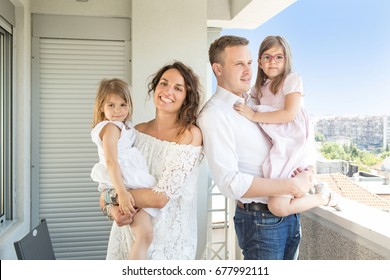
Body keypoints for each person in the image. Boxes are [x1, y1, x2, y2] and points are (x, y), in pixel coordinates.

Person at [197, 35, 313, 260]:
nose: (248, 70)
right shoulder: (214, 115)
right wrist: (290, 184)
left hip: (289, 213)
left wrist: (305, 170)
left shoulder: (256, 102)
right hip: (261, 221)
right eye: (239, 64)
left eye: (249, 63)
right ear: (217, 69)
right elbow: (230, 182)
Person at [99, 61, 203, 260]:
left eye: (178, 88)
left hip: (167, 248)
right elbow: (106, 186)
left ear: (186, 97)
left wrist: (112, 196)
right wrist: (112, 210)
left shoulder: (190, 135)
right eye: (163, 83)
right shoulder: (135, 132)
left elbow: (159, 198)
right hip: (126, 239)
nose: (168, 91)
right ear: (155, 88)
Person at [233, 35, 340, 217]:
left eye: (279, 57)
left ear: (286, 60)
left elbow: (289, 114)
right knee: (280, 198)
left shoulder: (291, 79)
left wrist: (254, 115)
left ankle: (323, 197)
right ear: (259, 62)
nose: (272, 61)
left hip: (292, 139)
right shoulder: (260, 87)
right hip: (278, 142)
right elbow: (245, 99)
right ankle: (310, 187)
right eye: (267, 57)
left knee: (278, 206)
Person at [90, 78, 157, 259]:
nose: (117, 110)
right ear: (101, 108)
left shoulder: (124, 128)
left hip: (128, 181)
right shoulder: (110, 128)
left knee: (145, 234)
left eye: (123, 104)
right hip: (124, 183)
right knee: (145, 235)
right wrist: (121, 192)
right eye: (111, 105)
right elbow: (111, 161)